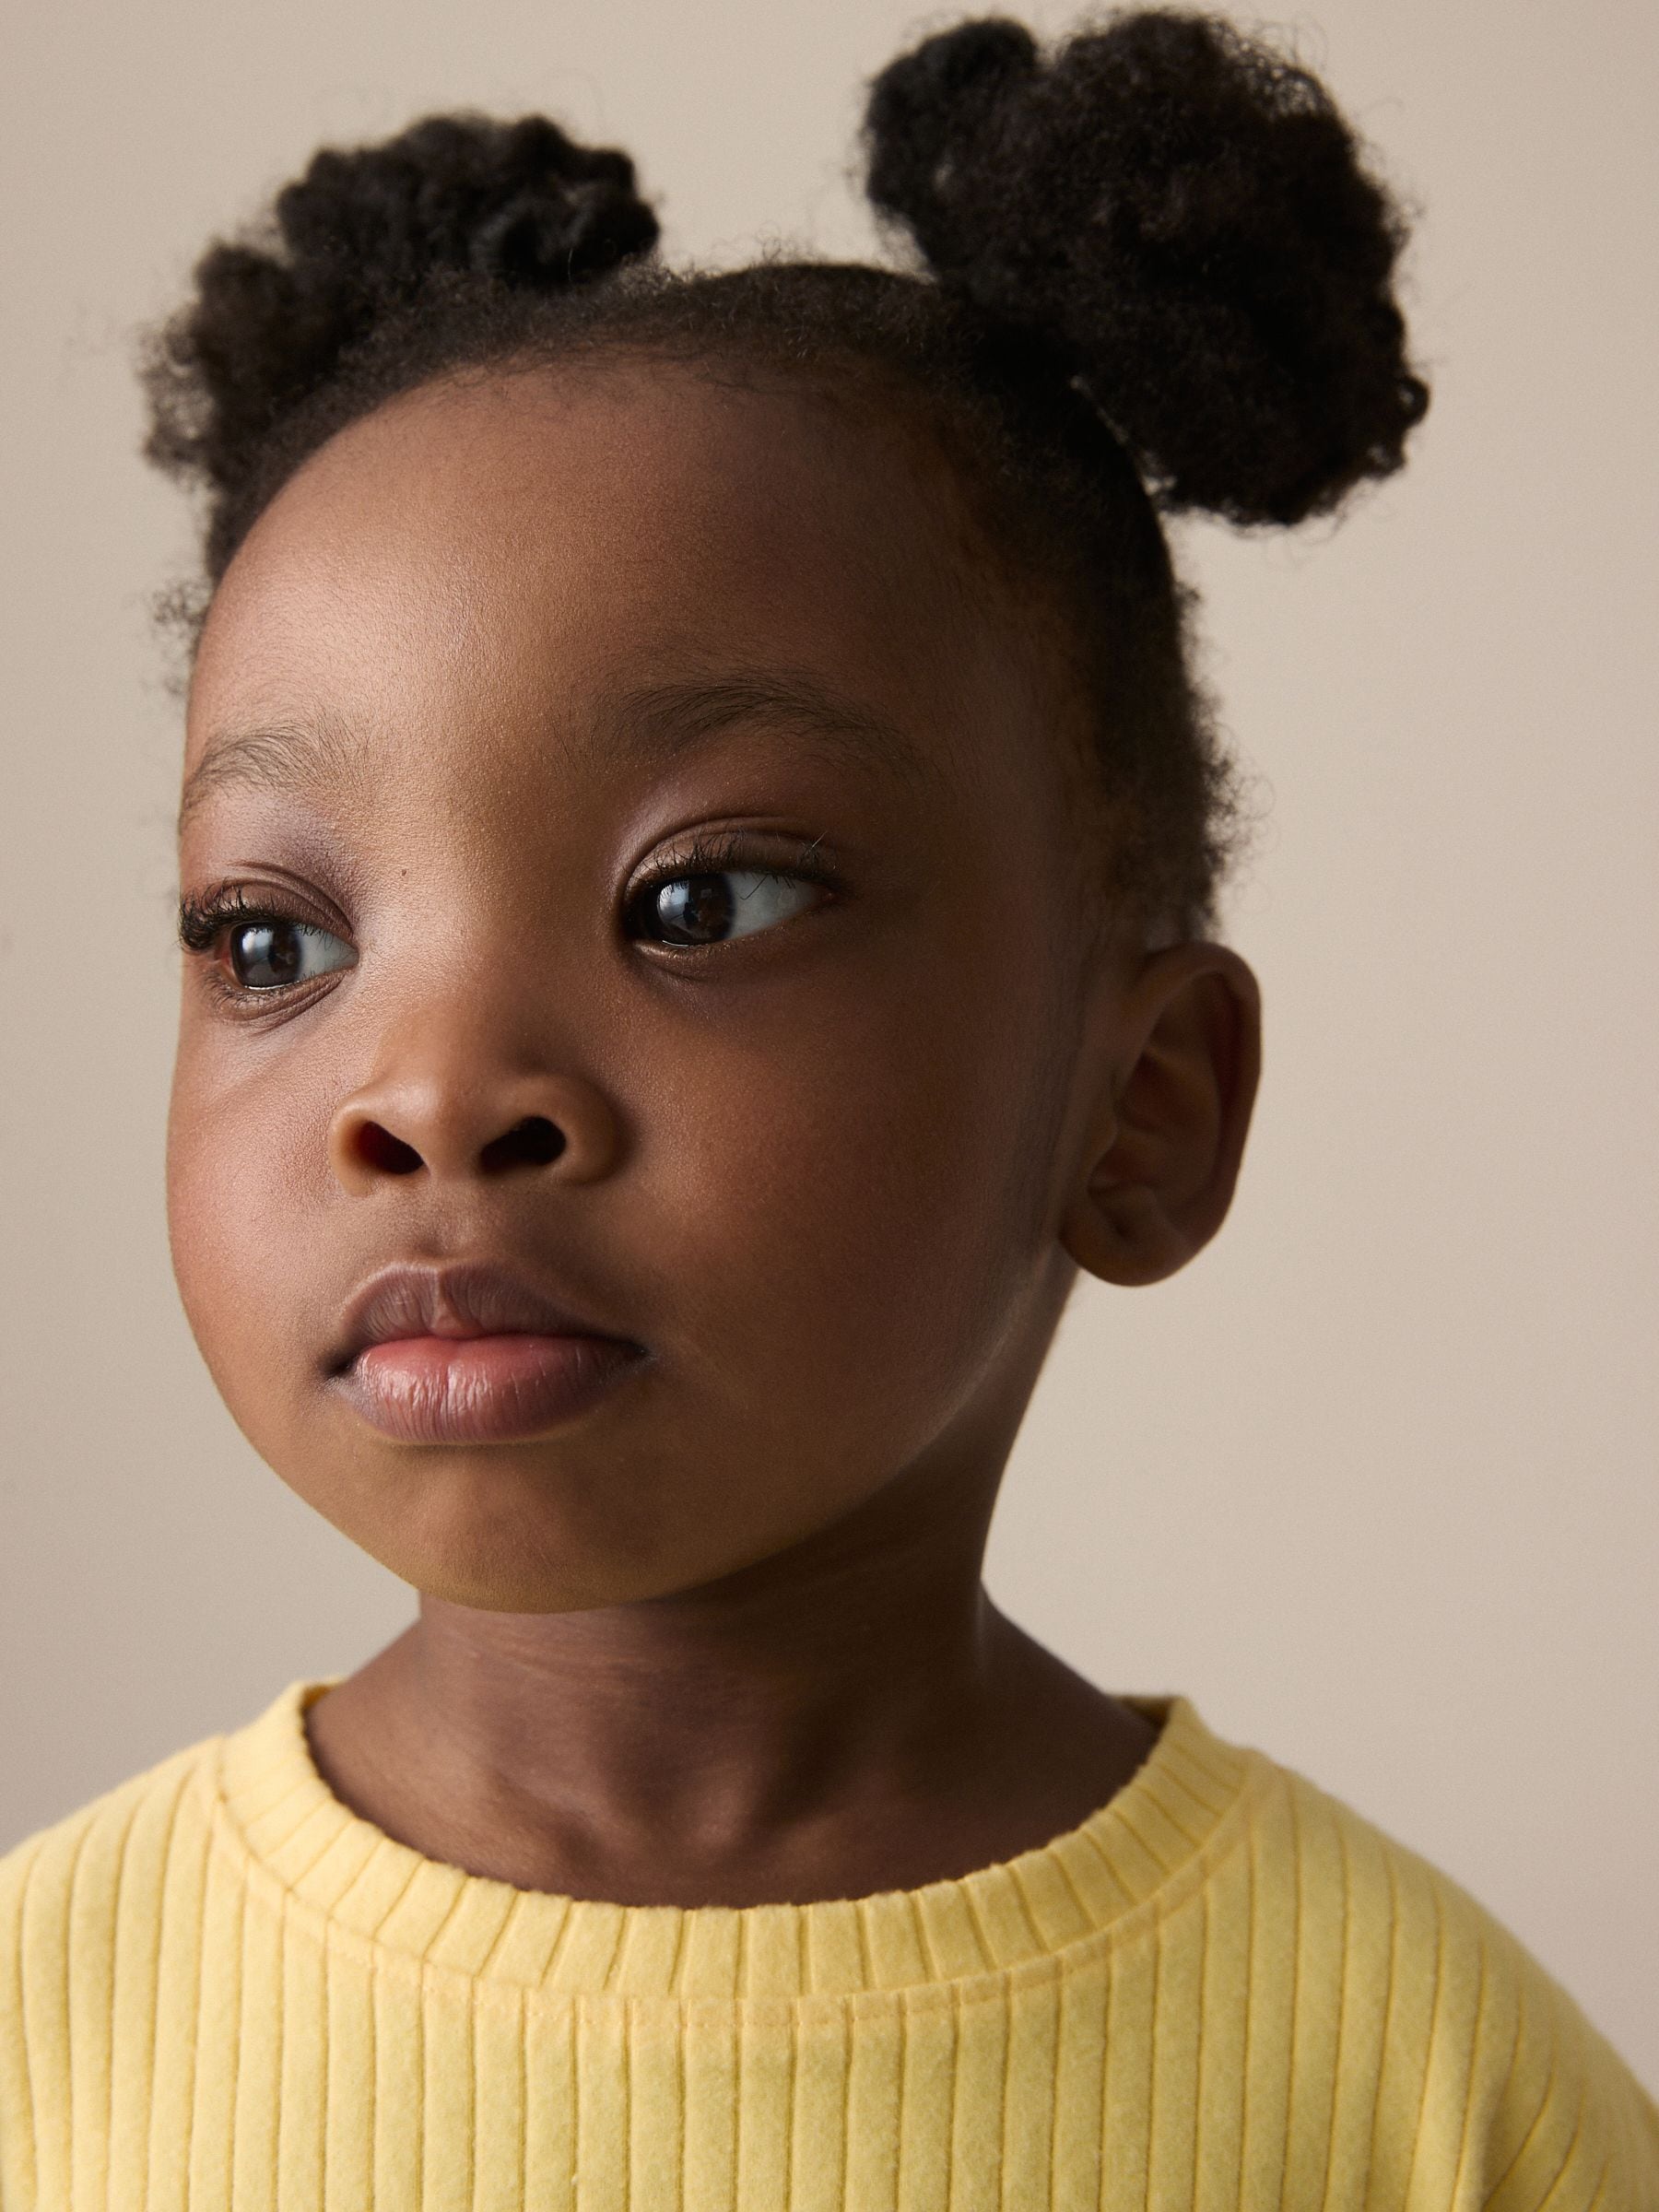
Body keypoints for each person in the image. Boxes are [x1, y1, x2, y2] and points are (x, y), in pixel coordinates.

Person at [3, 10, 1654, 2206]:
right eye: (276, 941)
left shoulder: (1424, 2090)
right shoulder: (45, 2028)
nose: (425, 1095)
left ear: (1142, 1108)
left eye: (700, 897)